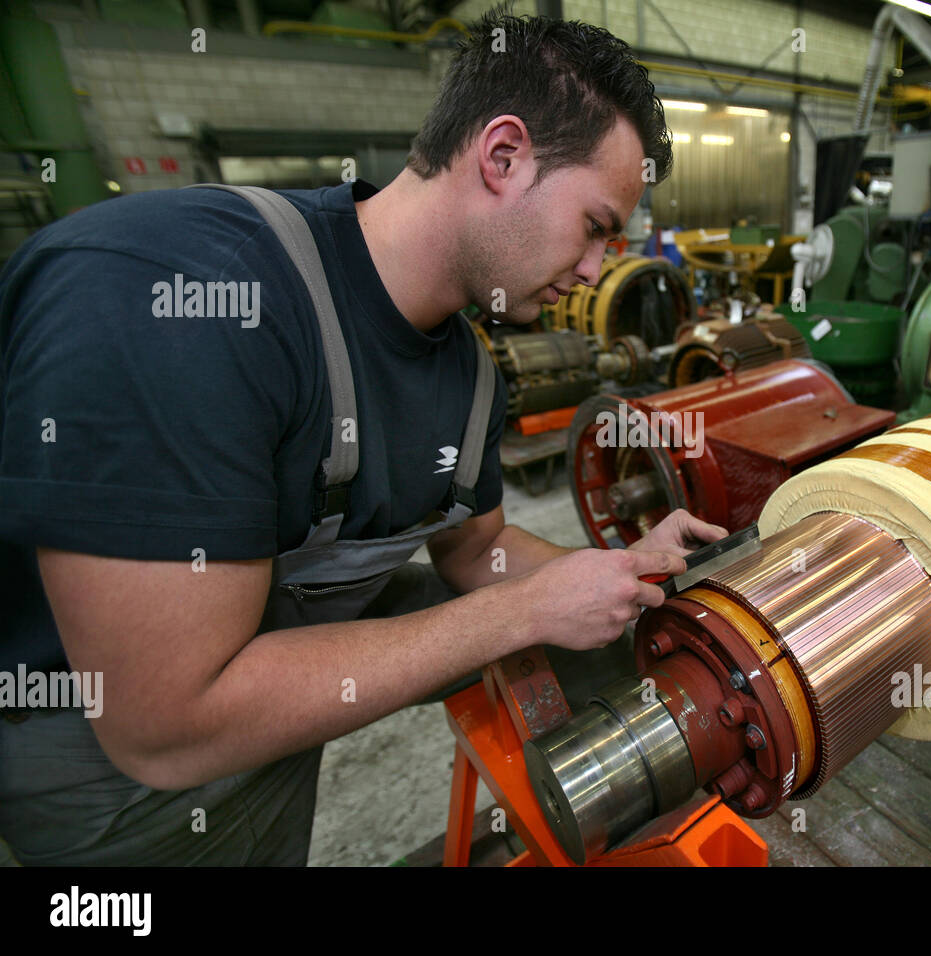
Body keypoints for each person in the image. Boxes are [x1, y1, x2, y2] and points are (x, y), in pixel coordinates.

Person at [0, 11, 724, 865]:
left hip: (273, 725)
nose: (598, 271)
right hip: (125, 787)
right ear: (503, 156)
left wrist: (626, 573)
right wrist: (521, 610)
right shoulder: (185, 298)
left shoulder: (471, 373)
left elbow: (475, 552)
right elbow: (166, 729)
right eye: (597, 226)